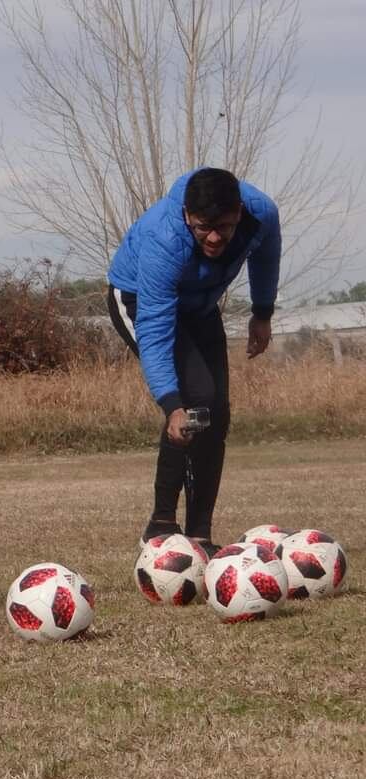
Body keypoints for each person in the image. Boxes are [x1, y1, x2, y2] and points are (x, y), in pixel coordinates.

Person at [106, 168, 281, 557]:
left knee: (216, 412)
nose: (216, 237)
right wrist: (171, 403)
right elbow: (154, 328)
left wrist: (262, 311)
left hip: (199, 304)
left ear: (239, 211)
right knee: (195, 398)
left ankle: (200, 535)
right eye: (204, 228)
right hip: (140, 300)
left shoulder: (261, 214)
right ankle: (161, 527)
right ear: (187, 215)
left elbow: (267, 253)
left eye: (225, 226)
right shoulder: (162, 239)